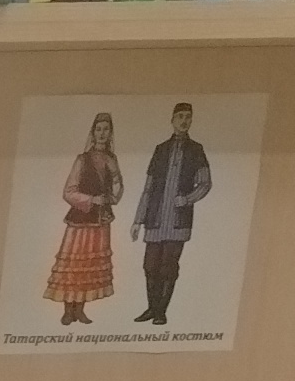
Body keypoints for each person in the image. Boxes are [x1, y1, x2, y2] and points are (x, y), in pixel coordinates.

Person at [133, 100, 214, 324]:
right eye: (180, 117)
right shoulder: (161, 149)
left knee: (168, 267)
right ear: (172, 120)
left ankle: (161, 312)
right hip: (155, 218)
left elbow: (205, 183)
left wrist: (187, 199)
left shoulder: (196, 150)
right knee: (150, 265)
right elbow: (148, 187)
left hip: (178, 221)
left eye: (188, 117)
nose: (184, 121)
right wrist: (138, 220)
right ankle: (151, 308)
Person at [49, 110, 121, 326]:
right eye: (98, 129)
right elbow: (68, 192)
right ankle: (67, 310)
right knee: (74, 266)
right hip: (80, 221)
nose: (102, 133)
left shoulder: (112, 159)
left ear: (110, 133)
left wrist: (113, 190)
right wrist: (92, 200)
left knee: (89, 268)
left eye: (106, 130)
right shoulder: (82, 160)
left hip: (100, 222)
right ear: (93, 132)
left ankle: (80, 310)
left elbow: (117, 190)